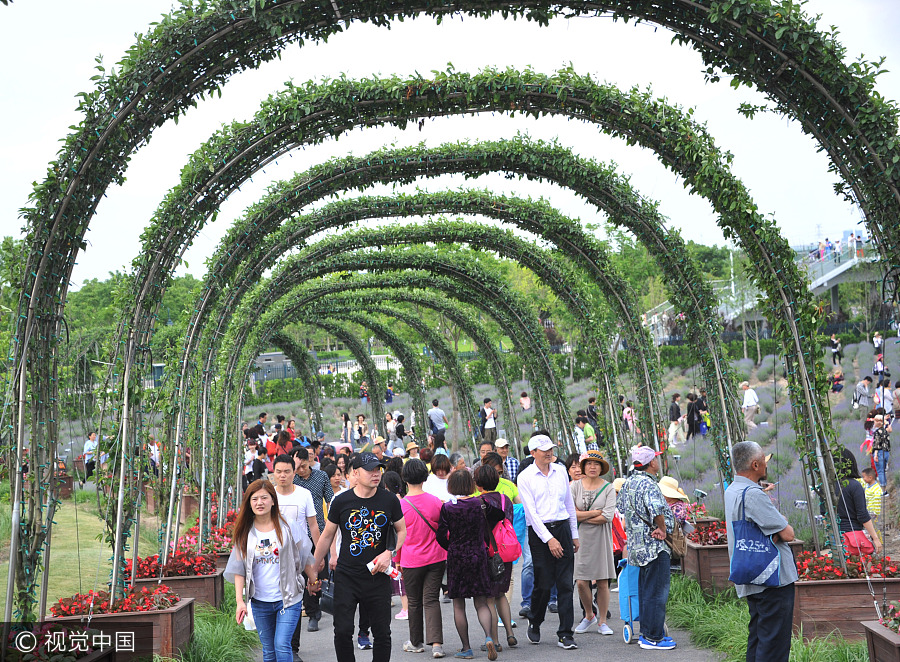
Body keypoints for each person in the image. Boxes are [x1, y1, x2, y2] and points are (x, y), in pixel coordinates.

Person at [310, 453, 406, 662]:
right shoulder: (341, 501)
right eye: (370, 470)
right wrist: (313, 571)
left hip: (378, 576)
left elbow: (402, 531)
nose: (376, 474)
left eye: (378, 469)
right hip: (347, 576)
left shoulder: (389, 500)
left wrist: (389, 553)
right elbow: (327, 536)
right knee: (342, 631)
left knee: (382, 632)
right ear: (355, 473)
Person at [225, 479, 318, 662]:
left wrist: (313, 580)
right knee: (268, 651)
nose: (259, 503)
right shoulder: (245, 532)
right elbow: (239, 569)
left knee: (282, 645)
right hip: (260, 601)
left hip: (289, 598)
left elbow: (304, 555)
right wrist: (239, 601)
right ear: (249, 503)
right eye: (254, 499)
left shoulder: (288, 526)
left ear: (273, 501)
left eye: (264, 498)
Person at [724, 442, 798, 662]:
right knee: (774, 644)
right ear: (755, 465)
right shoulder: (753, 495)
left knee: (758, 638)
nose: (766, 464)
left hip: (751, 574)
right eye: (764, 460)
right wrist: (780, 522)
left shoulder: (732, 489)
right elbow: (788, 534)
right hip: (772, 579)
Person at [517, 432, 579, 650]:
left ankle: (565, 633)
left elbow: (568, 504)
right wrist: (549, 539)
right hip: (539, 533)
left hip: (562, 527)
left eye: (551, 449)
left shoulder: (560, 471)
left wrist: (574, 534)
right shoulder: (525, 477)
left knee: (565, 583)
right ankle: (535, 620)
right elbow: (531, 514)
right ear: (533, 453)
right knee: (543, 583)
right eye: (544, 450)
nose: (549, 453)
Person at [436, 468, 504, 660]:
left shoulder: (448, 507)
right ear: (471, 484)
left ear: (451, 486)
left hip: (457, 557)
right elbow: (500, 515)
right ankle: (489, 637)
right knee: (481, 602)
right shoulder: (480, 503)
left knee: (458, 605)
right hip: (478, 555)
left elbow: (440, 535)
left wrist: (451, 546)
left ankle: (466, 648)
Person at [617, 446, 676, 650]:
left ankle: (647, 633)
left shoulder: (629, 482)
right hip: (654, 546)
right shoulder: (649, 484)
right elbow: (656, 509)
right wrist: (662, 528)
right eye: (656, 459)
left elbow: (621, 508)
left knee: (646, 591)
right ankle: (653, 638)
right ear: (651, 463)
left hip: (637, 547)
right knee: (657, 592)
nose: (657, 462)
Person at [398, 459, 448, 658]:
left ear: (405, 478)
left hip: (411, 559)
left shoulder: (401, 505)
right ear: (425, 477)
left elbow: (398, 537)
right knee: (431, 600)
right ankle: (436, 645)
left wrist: (397, 560)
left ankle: (416, 642)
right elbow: (444, 530)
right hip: (436, 557)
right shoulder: (435, 501)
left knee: (414, 601)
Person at [571, 450, 616, 636]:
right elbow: (570, 514)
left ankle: (603, 620)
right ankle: (589, 615)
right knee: (581, 582)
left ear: (601, 468)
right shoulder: (574, 486)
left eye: (596, 464)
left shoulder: (608, 488)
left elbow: (607, 516)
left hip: (601, 538)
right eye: (589, 463)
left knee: (603, 581)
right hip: (580, 539)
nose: (592, 467)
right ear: (583, 466)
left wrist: (581, 516)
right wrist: (594, 513)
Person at [474, 464, 518, 652]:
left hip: (488, 553)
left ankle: (495, 641)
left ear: (478, 484)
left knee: (489, 598)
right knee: (501, 594)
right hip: (505, 551)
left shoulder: (478, 502)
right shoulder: (505, 499)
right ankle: (510, 634)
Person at [291, 447, 334, 632]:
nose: (301, 470)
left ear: (309, 461)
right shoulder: (291, 479)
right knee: (299, 575)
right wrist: (293, 468)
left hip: (318, 533)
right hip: (296, 537)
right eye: (298, 467)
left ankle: (314, 613)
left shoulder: (321, 476)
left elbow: (330, 500)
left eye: (303, 466)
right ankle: (306, 610)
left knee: (314, 574)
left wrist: (332, 523)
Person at [872, 413, 892, 489]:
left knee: (880, 471)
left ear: (878, 422)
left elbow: (877, 444)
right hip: (886, 452)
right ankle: (885, 488)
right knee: (883, 471)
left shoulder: (877, 432)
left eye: (875, 421)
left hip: (880, 453)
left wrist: (875, 455)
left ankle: (883, 489)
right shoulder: (885, 431)